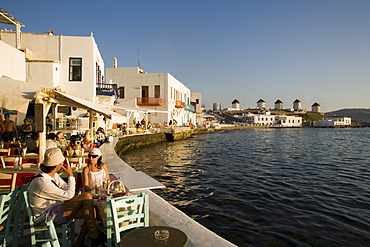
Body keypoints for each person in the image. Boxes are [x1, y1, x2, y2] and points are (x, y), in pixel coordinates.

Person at [27, 148, 106, 246]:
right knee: (86, 196)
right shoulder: (42, 182)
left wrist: (69, 188)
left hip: (55, 208)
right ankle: (95, 235)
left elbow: (65, 187)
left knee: (91, 211)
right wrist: (71, 175)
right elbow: (69, 195)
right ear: (58, 165)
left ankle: (79, 243)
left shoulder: (51, 175)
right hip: (45, 216)